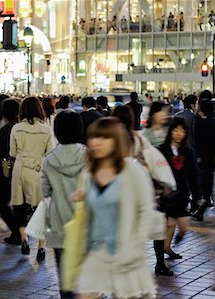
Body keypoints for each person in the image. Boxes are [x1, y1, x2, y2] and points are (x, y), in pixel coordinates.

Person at [74, 117, 156, 299]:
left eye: (103, 138)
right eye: (93, 137)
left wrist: (137, 246)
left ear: (115, 141)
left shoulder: (133, 171)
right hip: (96, 251)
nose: (96, 143)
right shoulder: (88, 173)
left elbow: (145, 211)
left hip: (126, 253)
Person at [112, 106, 174, 276]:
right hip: (141, 192)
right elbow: (152, 163)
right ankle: (157, 263)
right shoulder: (139, 138)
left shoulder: (112, 140)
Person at [41, 111, 86, 299]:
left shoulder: (49, 159)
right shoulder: (90, 156)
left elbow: (44, 191)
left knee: (65, 276)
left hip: (59, 222)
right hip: (86, 224)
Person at [10, 97, 53, 260]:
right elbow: (50, 153)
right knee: (41, 208)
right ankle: (41, 246)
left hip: (20, 168)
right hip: (39, 170)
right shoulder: (47, 130)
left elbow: (12, 153)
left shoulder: (16, 128)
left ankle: (24, 238)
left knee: (19, 206)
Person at [158, 118, 202, 259]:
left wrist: (198, 195)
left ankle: (173, 242)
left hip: (182, 194)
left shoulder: (188, 151)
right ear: (170, 131)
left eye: (182, 131)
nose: (179, 134)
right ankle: (167, 248)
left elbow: (193, 174)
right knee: (170, 223)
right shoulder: (162, 150)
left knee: (183, 226)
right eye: (176, 130)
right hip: (167, 194)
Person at [0, 99, 21, 245]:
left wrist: (1, 174)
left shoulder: (6, 129)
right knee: (16, 203)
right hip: (21, 169)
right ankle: (20, 231)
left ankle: (17, 232)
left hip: (7, 170)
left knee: (2, 202)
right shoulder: (21, 127)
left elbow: (2, 154)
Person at [192, 99, 215, 220]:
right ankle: (204, 207)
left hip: (203, 159)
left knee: (204, 185)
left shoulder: (200, 123)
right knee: (209, 185)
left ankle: (200, 210)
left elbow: (197, 142)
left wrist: (198, 157)